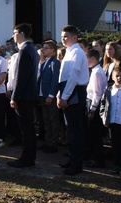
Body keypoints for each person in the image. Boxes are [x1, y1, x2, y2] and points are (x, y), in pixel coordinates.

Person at [57, 25, 90, 175]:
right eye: (62, 36)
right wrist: (60, 94)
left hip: (75, 91)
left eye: (66, 37)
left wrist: (64, 96)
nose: (63, 39)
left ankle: (77, 164)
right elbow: (63, 76)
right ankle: (72, 158)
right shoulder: (69, 52)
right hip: (67, 90)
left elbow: (74, 76)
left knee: (76, 130)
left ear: (75, 37)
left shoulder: (77, 52)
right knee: (71, 128)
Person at [8, 23, 39, 167]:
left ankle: (27, 158)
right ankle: (29, 157)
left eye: (15, 33)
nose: (13, 36)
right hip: (29, 94)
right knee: (28, 128)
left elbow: (21, 77)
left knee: (26, 129)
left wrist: (14, 97)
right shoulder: (31, 49)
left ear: (21, 34)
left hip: (23, 95)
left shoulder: (24, 50)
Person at [85, 49, 108, 168]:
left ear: (93, 59)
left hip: (95, 104)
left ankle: (97, 159)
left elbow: (97, 93)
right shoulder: (94, 71)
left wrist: (93, 109)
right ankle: (93, 157)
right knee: (92, 134)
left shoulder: (97, 72)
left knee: (95, 134)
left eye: (87, 59)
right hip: (91, 102)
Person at [38, 39, 61, 153]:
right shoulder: (45, 62)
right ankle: (47, 141)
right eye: (43, 48)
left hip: (49, 95)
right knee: (46, 119)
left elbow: (54, 80)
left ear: (53, 50)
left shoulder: (54, 63)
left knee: (52, 119)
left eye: (46, 48)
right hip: (42, 94)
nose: (43, 50)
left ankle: (53, 143)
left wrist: (51, 95)